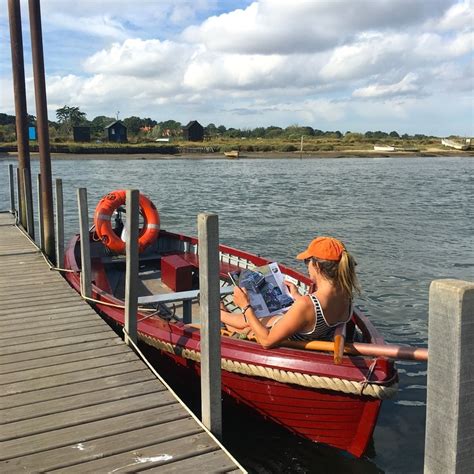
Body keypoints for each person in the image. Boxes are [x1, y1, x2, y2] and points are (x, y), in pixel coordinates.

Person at [220, 236, 360, 349]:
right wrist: (297, 296)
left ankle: (216, 313)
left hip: (288, 337)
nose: (307, 266)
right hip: (309, 332)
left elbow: (267, 341)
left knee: (249, 320)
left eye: (307, 261)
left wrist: (245, 306)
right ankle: (220, 314)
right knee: (250, 321)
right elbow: (316, 312)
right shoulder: (346, 295)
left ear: (317, 266)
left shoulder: (307, 304)